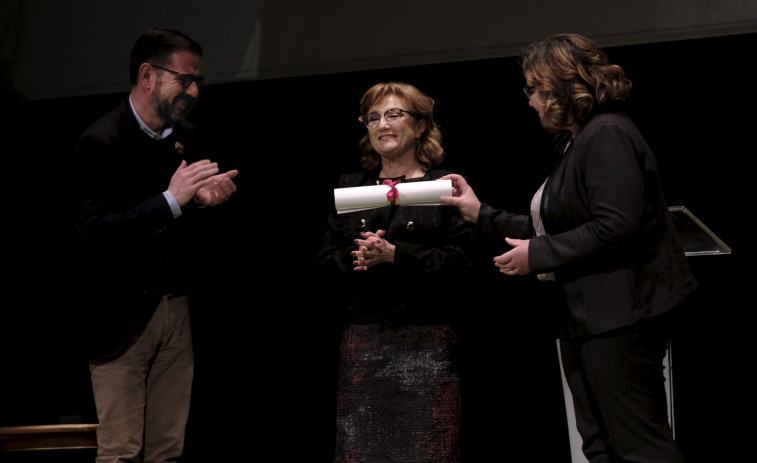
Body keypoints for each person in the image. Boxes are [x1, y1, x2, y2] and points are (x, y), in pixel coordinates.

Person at [441, 33, 697, 463]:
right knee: (599, 446)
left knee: (639, 447)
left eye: (535, 89)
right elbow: (557, 225)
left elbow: (616, 226)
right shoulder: (574, 142)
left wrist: (536, 256)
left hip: (620, 317)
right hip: (585, 316)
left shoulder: (607, 133)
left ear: (564, 85)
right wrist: (479, 213)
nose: (530, 101)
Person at [71, 28, 238, 463]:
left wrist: (203, 203)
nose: (193, 89)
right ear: (147, 75)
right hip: (120, 316)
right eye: (184, 78)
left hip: (175, 309)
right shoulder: (101, 140)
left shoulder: (188, 137)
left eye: (197, 79)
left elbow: (183, 221)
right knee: (121, 450)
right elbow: (95, 228)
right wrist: (171, 200)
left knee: (168, 449)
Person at [317, 81, 474, 462]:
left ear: (420, 126)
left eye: (394, 114)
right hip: (364, 342)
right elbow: (324, 261)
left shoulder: (445, 186)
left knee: (428, 450)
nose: (382, 125)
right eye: (373, 118)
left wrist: (396, 255)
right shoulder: (351, 188)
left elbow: (462, 262)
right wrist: (363, 256)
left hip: (427, 342)